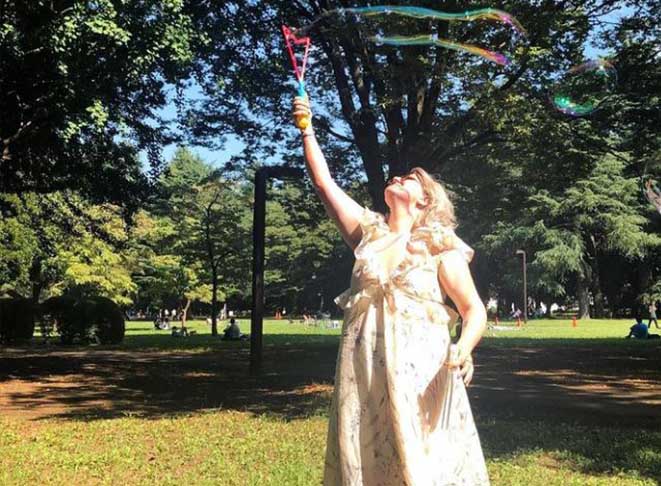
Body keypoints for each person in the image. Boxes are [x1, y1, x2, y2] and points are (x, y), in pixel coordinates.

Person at [293, 97, 489, 484]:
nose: (397, 177)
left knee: (424, 462)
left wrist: (463, 348)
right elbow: (323, 183)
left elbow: (474, 310)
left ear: (425, 199)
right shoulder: (369, 235)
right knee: (367, 456)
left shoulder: (437, 244)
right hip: (363, 370)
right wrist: (307, 127)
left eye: (409, 178)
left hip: (422, 371)